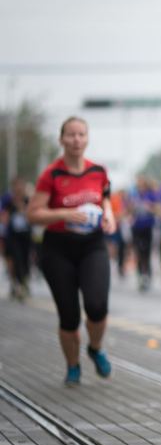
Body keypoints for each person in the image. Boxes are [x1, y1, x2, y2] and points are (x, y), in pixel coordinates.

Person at [26, 117, 115, 386]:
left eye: (81, 135)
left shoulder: (98, 171)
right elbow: (33, 214)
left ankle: (95, 348)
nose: (76, 140)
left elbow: (106, 197)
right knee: (69, 315)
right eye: (71, 135)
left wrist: (110, 215)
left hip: (92, 245)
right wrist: (66, 214)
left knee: (97, 305)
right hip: (59, 248)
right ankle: (73, 365)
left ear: (87, 139)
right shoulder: (51, 175)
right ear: (61, 139)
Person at [2, 177, 33, 301]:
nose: (19, 188)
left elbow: (33, 213)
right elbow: (3, 214)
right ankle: (17, 283)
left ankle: (24, 282)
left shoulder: (28, 200)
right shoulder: (7, 200)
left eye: (21, 186)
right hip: (12, 235)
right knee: (15, 258)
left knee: (26, 258)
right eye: (16, 186)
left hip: (25, 235)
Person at [129, 175, 159, 292]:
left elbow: (159, 209)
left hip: (148, 227)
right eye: (138, 182)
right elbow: (128, 210)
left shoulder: (151, 194)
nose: (140, 184)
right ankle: (140, 274)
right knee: (138, 251)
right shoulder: (134, 195)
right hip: (136, 227)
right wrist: (132, 208)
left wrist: (150, 207)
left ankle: (147, 274)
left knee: (146, 252)